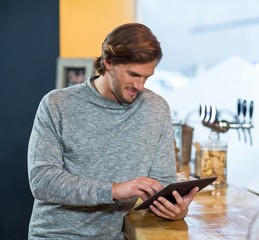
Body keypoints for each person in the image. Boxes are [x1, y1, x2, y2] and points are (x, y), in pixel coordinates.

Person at [27, 23, 199, 239]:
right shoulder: (57, 104)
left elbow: (161, 181)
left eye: (147, 77)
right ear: (108, 63)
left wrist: (175, 209)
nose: (140, 86)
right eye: (133, 74)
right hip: (57, 234)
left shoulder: (156, 108)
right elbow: (43, 181)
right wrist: (115, 190)